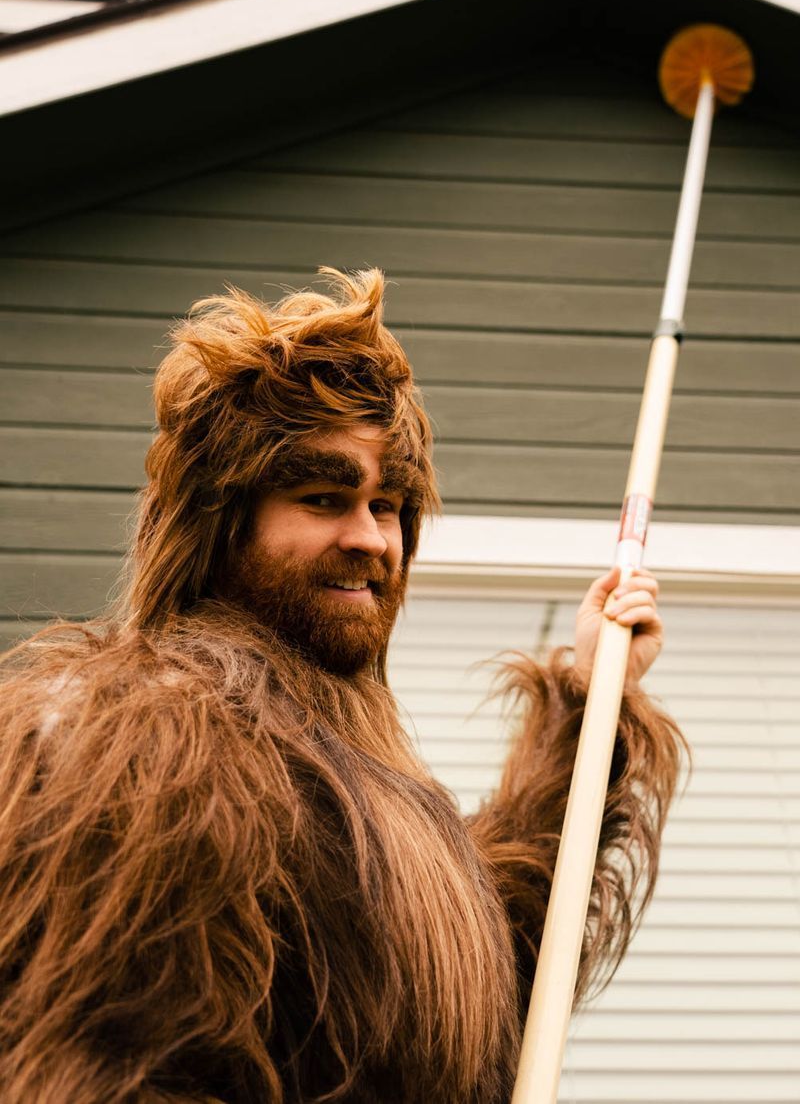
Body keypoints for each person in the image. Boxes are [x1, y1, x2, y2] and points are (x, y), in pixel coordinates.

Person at [0, 268, 684, 1104]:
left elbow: (460, 972)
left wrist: (590, 692)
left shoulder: (345, 770)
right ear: (216, 525)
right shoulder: (146, 748)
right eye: (323, 497)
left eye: (389, 504)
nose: (372, 539)